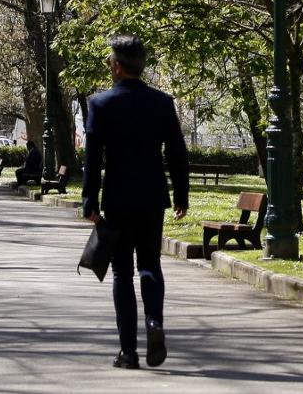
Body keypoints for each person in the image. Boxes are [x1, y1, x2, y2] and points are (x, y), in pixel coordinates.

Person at [82, 34, 189, 370]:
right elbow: (176, 153)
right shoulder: (161, 103)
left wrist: (89, 201)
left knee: (122, 274)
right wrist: (181, 195)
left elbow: (93, 158)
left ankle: (128, 353)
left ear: (117, 66)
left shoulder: (100, 104)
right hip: (152, 198)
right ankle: (154, 322)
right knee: (150, 266)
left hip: (116, 199)